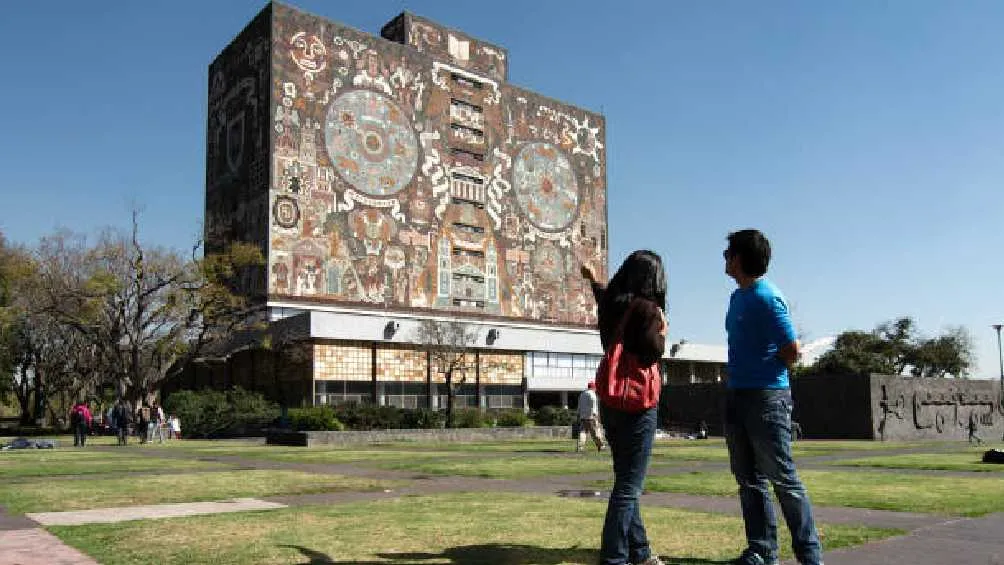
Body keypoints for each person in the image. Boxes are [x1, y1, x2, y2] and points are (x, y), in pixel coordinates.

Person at [722, 229, 823, 565]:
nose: (724, 259)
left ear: (738, 258)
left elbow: (792, 350)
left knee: (783, 479)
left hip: (766, 398)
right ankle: (762, 550)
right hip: (737, 396)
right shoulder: (737, 297)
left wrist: (762, 369)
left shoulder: (767, 297)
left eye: (727, 253)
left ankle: (810, 555)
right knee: (748, 480)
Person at [582, 250, 668, 565]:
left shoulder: (612, 305)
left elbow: (602, 295)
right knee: (629, 487)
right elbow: (651, 352)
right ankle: (614, 558)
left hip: (611, 402)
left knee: (625, 480)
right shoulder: (647, 309)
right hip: (638, 404)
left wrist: (593, 279)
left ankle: (640, 551)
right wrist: (662, 329)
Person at [576, 381, 606, 452]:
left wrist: (578, 414)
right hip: (591, 417)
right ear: (593, 388)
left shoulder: (582, 394)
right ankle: (601, 445)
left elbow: (579, 406)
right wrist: (595, 415)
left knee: (583, 432)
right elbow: (594, 405)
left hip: (583, 417)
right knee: (596, 432)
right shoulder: (592, 394)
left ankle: (580, 447)